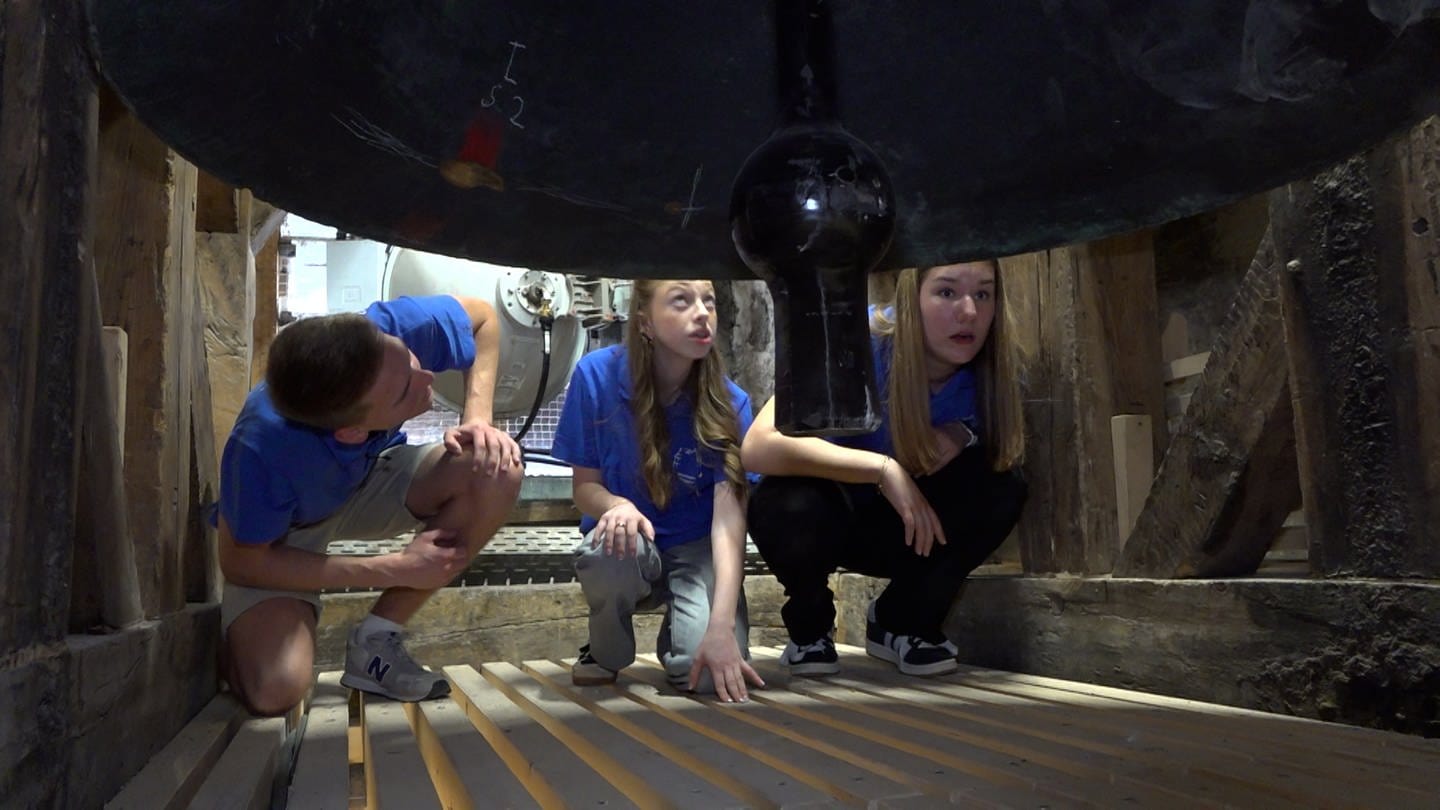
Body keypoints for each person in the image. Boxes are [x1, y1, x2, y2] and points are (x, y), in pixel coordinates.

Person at [214, 294, 523, 716]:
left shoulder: (387, 333)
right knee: (275, 688)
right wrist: (391, 566)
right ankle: (245, 642)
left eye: (410, 360)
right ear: (352, 432)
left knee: (496, 467)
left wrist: (477, 419)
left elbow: (485, 319)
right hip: (290, 531)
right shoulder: (260, 449)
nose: (427, 378)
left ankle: (376, 642)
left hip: (373, 474)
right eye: (404, 393)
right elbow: (241, 562)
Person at [742, 261, 1028, 677]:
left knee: (1004, 486)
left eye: (983, 294)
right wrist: (882, 469)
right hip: (826, 519)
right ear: (912, 299)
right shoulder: (859, 343)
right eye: (946, 292)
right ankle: (810, 629)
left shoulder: (992, 371)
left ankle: (902, 620)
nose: (969, 312)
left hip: (906, 530)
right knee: (785, 500)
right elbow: (757, 446)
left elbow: (992, 452)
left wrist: (962, 435)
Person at [551, 279, 764, 703]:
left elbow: (728, 522)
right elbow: (584, 488)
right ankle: (606, 647)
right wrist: (615, 505)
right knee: (606, 550)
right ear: (646, 322)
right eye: (682, 300)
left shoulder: (730, 402)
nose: (702, 313)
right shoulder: (596, 376)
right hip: (630, 542)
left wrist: (721, 626)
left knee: (706, 676)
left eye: (709, 300)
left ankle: (683, 640)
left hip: (696, 546)